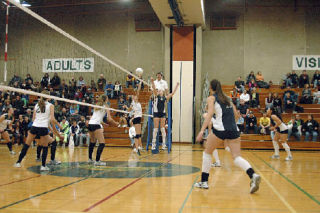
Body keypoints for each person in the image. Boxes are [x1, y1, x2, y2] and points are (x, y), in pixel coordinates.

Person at [195, 79, 261, 193]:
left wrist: (201, 131)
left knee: (207, 152)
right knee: (236, 157)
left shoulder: (212, 98)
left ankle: (204, 181)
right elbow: (236, 115)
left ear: (211, 88)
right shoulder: (228, 99)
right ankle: (253, 175)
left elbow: (210, 114)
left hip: (220, 129)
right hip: (234, 130)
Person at [14, 91, 62, 170]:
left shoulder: (36, 105)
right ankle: (43, 166)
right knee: (45, 146)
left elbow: (33, 119)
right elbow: (52, 119)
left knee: (27, 145)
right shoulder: (51, 105)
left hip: (34, 126)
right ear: (48, 97)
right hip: (43, 127)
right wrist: (59, 125)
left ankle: (18, 162)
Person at [88, 95, 119, 166]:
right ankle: (97, 161)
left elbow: (96, 117)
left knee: (92, 142)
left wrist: (103, 123)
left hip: (90, 124)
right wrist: (116, 123)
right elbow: (109, 119)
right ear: (106, 99)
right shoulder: (106, 106)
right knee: (102, 143)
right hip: (96, 125)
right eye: (108, 98)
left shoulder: (97, 105)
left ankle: (90, 159)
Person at [150, 77, 179, 150]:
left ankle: (163, 144)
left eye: (161, 90)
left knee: (163, 129)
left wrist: (177, 86)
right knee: (156, 129)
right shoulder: (156, 96)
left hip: (162, 114)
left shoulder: (165, 98)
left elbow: (172, 93)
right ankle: (153, 145)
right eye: (159, 90)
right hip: (156, 113)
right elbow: (153, 88)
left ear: (163, 92)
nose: (160, 91)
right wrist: (152, 81)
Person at [129, 82, 143, 154]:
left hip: (139, 118)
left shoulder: (138, 103)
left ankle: (140, 146)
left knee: (139, 134)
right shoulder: (133, 103)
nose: (135, 97)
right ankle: (137, 148)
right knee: (137, 134)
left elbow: (138, 93)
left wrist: (140, 84)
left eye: (136, 97)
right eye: (134, 97)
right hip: (136, 118)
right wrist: (139, 84)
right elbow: (137, 92)